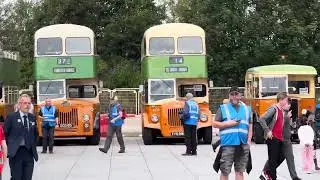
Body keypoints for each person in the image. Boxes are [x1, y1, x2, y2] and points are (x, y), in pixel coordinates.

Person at [212, 86, 252, 180]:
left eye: (236, 94)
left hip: (243, 144)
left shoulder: (247, 109)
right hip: (228, 144)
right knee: (225, 171)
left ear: (240, 96)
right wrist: (228, 123)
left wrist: (249, 139)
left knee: (240, 171)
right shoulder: (223, 108)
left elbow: (250, 124)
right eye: (232, 94)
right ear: (229, 96)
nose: (234, 96)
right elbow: (214, 123)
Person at [260, 98, 301, 180]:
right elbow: (276, 124)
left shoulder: (289, 113)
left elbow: (292, 125)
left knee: (290, 157)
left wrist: (292, 119)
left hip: (287, 140)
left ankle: (294, 176)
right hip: (279, 139)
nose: (288, 105)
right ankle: (266, 171)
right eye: (287, 103)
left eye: (290, 104)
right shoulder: (279, 112)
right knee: (274, 158)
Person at [4, 94, 38, 180]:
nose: (27, 105)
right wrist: (10, 147)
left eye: (29, 103)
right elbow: (5, 133)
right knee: (16, 177)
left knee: (27, 177)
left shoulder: (32, 118)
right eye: (25, 103)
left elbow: (35, 133)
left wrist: (32, 145)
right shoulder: (11, 117)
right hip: (16, 153)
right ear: (19, 104)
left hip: (29, 153)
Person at [258, 92, 288, 180]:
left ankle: (267, 171)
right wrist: (267, 131)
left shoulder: (282, 110)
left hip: (279, 138)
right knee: (273, 159)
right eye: (286, 100)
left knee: (283, 155)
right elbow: (261, 119)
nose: (286, 102)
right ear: (281, 100)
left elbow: (279, 125)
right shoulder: (273, 109)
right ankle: (272, 176)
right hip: (272, 138)